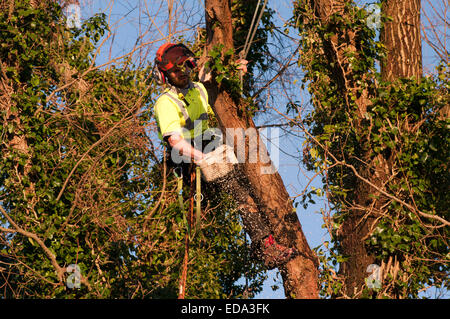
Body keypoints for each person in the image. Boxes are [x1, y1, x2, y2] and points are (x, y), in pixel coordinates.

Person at [152, 42, 296, 269]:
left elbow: (218, 86)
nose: (181, 73)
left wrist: (236, 72)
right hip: (191, 159)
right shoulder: (165, 102)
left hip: (214, 146)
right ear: (166, 75)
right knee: (242, 193)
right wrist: (200, 158)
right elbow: (174, 140)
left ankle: (271, 233)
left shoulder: (199, 89)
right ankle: (266, 248)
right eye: (174, 71)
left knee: (254, 173)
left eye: (183, 67)